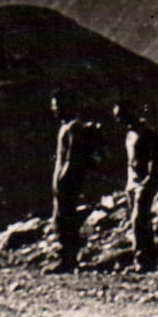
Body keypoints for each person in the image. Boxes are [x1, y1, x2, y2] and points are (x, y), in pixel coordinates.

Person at [47, 89, 104, 274]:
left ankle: (68, 260)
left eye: (57, 106)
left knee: (65, 220)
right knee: (62, 220)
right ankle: (68, 259)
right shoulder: (69, 127)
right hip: (64, 181)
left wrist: (62, 181)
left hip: (67, 182)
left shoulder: (73, 128)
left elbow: (72, 159)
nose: (54, 109)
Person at [113, 100, 158, 271]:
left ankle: (142, 260)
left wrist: (149, 178)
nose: (120, 120)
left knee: (138, 218)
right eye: (118, 117)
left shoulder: (146, 132)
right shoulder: (130, 134)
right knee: (140, 220)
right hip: (133, 181)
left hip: (146, 181)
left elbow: (155, 156)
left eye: (122, 116)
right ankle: (148, 258)